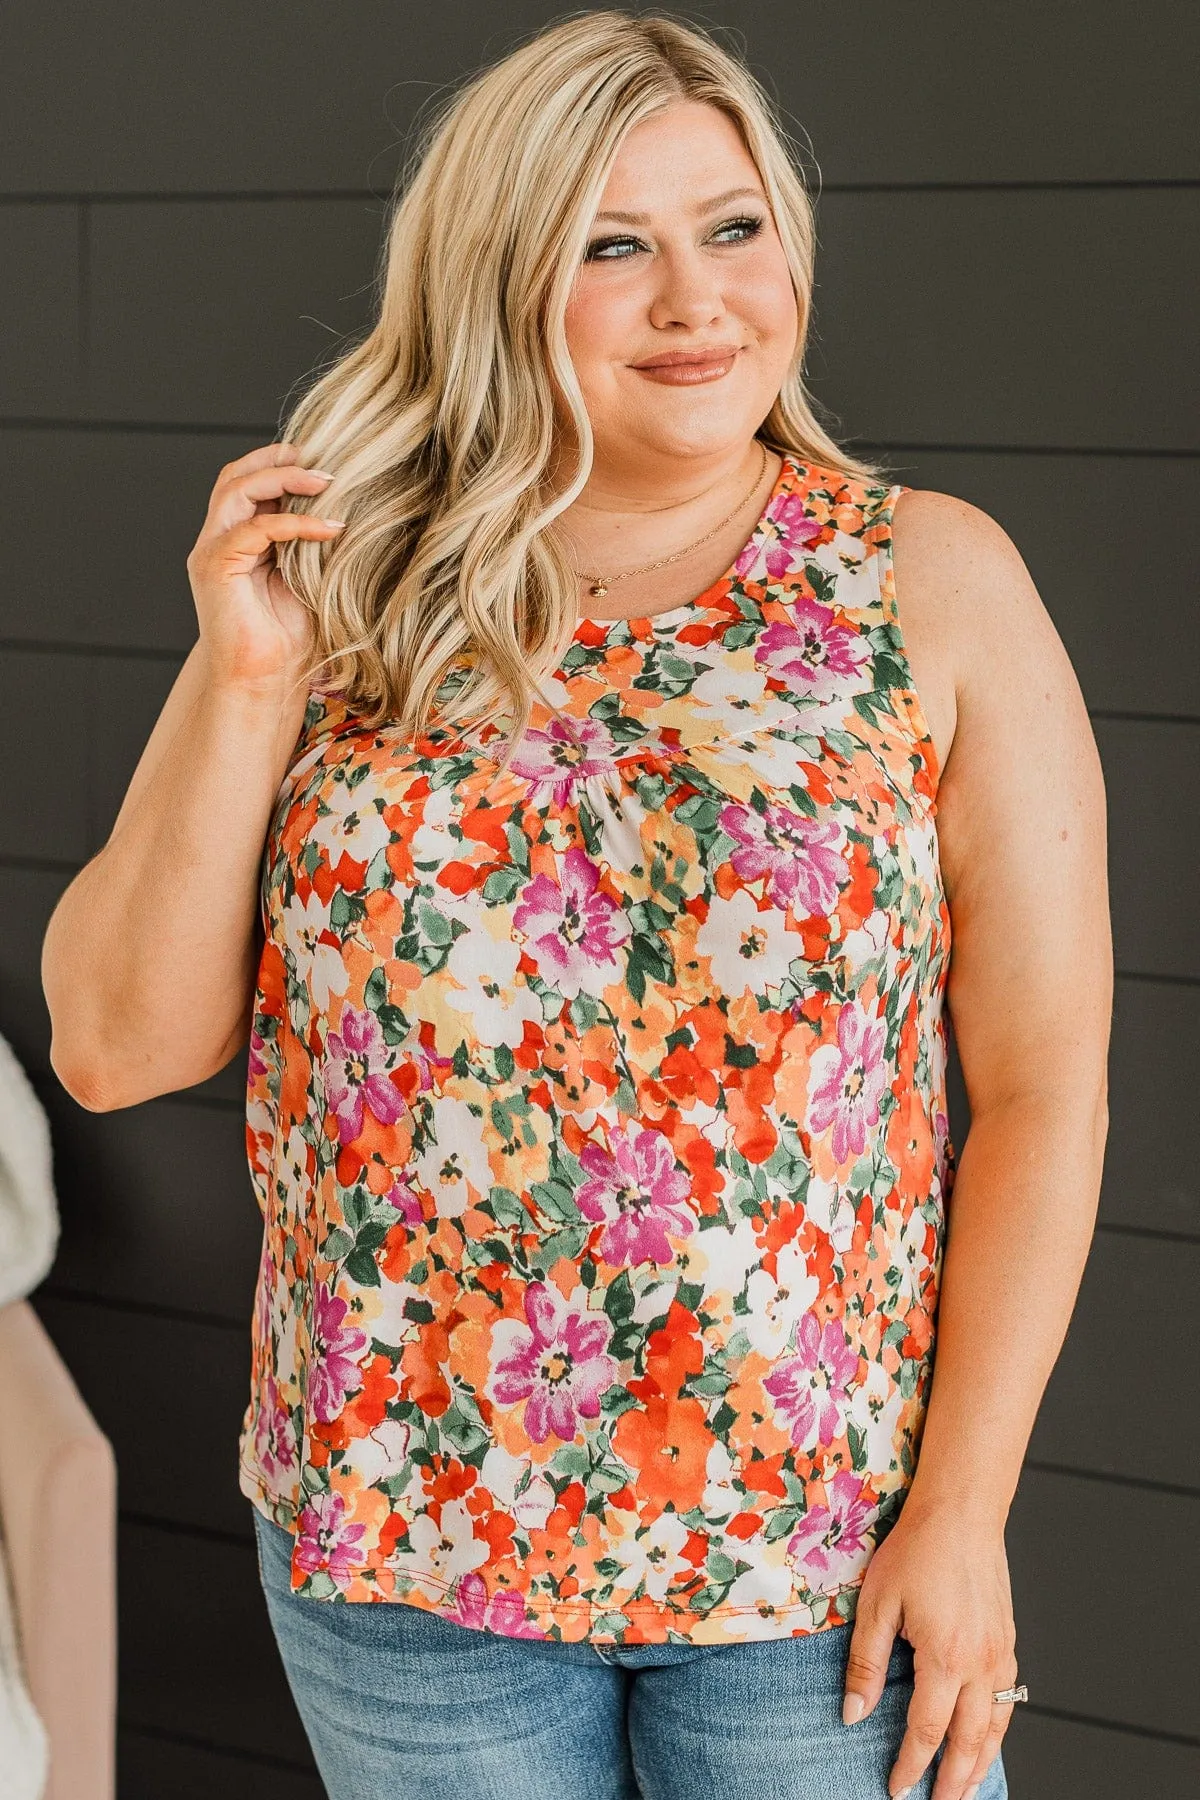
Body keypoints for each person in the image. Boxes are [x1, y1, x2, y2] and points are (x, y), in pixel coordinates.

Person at [40, 10, 1112, 1800]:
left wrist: (967, 1514)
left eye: (734, 225)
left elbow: (1048, 1092)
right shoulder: (351, 594)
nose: (699, 298)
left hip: (814, 1563)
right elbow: (109, 1044)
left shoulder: (928, 583)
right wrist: (244, 679)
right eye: (614, 245)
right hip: (404, 1553)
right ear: (499, 283)